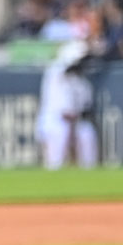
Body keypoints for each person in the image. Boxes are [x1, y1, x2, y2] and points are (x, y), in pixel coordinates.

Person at [35, 41, 97, 170]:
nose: (81, 64)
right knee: (60, 133)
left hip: (77, 121)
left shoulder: (82, 82)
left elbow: (85, 106)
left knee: (87, 132)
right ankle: (54, 172)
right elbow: (63, 66)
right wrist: (71, 59)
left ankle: (89, 173)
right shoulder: (54, 72)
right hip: (54, 119)